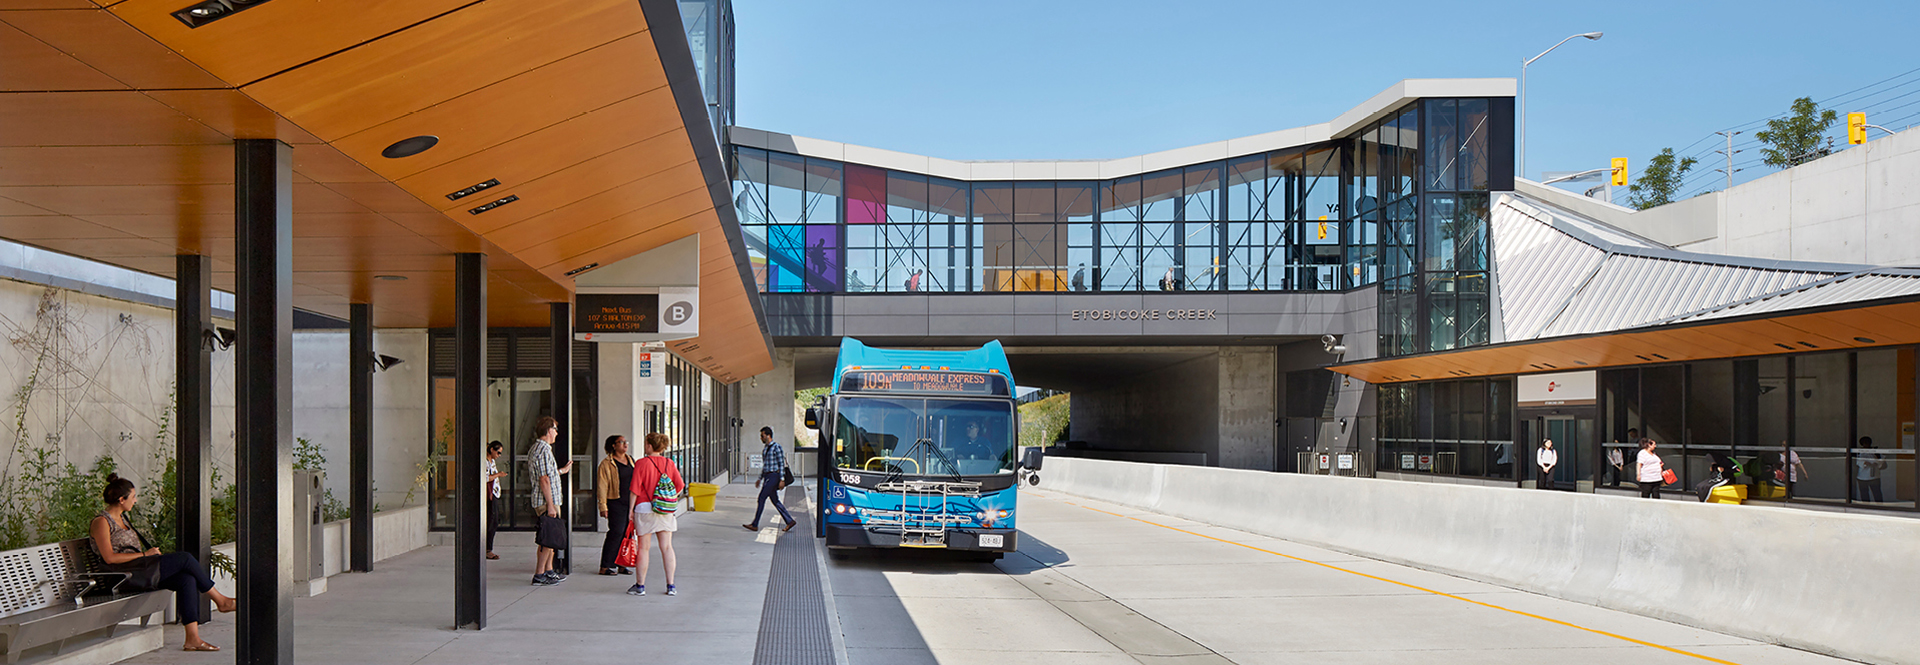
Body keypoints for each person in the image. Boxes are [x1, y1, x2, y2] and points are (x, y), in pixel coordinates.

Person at [91, 474, 237, 652]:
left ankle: (193, 639)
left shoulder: (123, 519)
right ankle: (221, 600)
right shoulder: (102, 522)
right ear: (122, 499)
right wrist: (145, 554)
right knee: (185, 558)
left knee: (186, 579)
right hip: (121, 577)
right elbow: (109, 558)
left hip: (138, 571)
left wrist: (146, 556)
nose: (135, 501)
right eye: (133, 496)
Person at [628, 432, 685, 597]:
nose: (645, 446)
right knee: (667, 547)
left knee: (644, 548)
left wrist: (630, 510)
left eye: (646, 443)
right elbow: (679, 485)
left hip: (644, 508)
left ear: (650, 446)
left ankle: (640, 586)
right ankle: (671, 585)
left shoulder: (641, 463)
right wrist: (668, 499)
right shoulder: (669, 463)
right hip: (664, 510)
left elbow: (634, 489)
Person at [528, 415, 573, 586]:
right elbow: (544, 479)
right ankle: (540, 574)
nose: (556, 433)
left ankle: (548, 570)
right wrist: (551, 505)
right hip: (547, 501)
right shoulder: (543, 450)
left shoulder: (538, 449)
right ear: (548, 431)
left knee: (550, 538)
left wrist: (561, 471)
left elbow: (549, 474)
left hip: (548, 500)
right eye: (555, 429)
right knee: (547, 539)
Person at [743, 426, 796, 533]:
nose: (761, 438)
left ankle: (755, 524)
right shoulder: (766, 449)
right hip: (768, 476)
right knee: (775, 500)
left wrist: (782, 479)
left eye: (762, 436)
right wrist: (760, 478)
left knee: (761, 498)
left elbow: (781, 464)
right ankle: (789, 521)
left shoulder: (777, 447)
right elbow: (766, 466)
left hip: (774, 476)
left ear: (768, 436)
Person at [596, 434, 635, 576]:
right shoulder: (606, 463)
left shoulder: (630, 460)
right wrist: (603, 506)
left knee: (628, 533)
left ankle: (622, 564)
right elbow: (602, 486)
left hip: (630, 502)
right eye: (621, 442)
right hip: (615, 502)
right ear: (614, 445)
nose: (625, 445)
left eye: (626, 442)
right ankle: (606, 565)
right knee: (616, 532)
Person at [485, 441, 506, 560]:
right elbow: (485, 477)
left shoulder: (492, 462)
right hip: (490, 495)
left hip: (495, 494)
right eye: (498, 452)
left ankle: (488, 547)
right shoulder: (485, 462)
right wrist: (498, 474)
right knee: (491, 521)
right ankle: (487, 549)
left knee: (494, 521)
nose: (499, 455)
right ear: (491, 449)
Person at [1855, 436, 1886, 503]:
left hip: (1874, 477)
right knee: (1864, 495)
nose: (1866, 444)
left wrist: (1876, 460)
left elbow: (1882, 461)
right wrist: (1865, 463)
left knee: (1877, 494)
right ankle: (1866, 507)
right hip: (1862, 477)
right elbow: (1856, 462)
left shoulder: (1875, 451)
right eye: (1864, 443)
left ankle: (1879, 507)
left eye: (1868, 442)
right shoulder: (1858, 452)